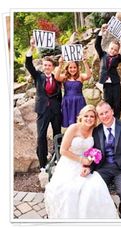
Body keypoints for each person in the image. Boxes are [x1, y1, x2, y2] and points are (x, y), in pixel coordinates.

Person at [44, 105, 118, 219]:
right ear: (81, 117)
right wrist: (81, 159)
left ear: (95, 119)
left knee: (93, 188)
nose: (89, 119)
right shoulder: (73, 128)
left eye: (92, 116)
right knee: (69, 190)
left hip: (86, 165)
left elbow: (98, 149)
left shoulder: (95, 130)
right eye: (86, 116)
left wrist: (90, 161)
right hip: (69, 163)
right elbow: (63, 150)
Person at [25, 37, 62, 170]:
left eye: (49, 65)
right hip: (42, 110)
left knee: (57, 134)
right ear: (43, 65)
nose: (47, 67)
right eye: (45, 65)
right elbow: (28, 64)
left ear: (52, 67)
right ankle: (42, 163)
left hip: (56, 110)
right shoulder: (38, 76)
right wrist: (32, 48)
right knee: (41, 136)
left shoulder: (56, 78)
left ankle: (58, 157)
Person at [95, 23, 121, 119]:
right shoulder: (102, 55)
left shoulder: (118, 58)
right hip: (106, 84)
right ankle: (107, 119)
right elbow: (97, 45)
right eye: (112, 48)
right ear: (108, 48)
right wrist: (101, 32)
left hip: (115, 83)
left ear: (118, 51)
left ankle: (117, 120)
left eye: (115, 50)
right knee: (107, 103)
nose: (113, 51)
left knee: (117, 102)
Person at [55, 56, 92, 128]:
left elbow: (88, 75)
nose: (72, 69)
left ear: (77, 68)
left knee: (80, 122)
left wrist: (85, 63)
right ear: (67, 68)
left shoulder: (80, 77)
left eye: (74, 67)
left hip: (79, 101)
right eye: (70, 68)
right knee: (70, 123)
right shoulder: (65, 77)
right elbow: (57, 77)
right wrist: (60, 64)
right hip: (67, 102)